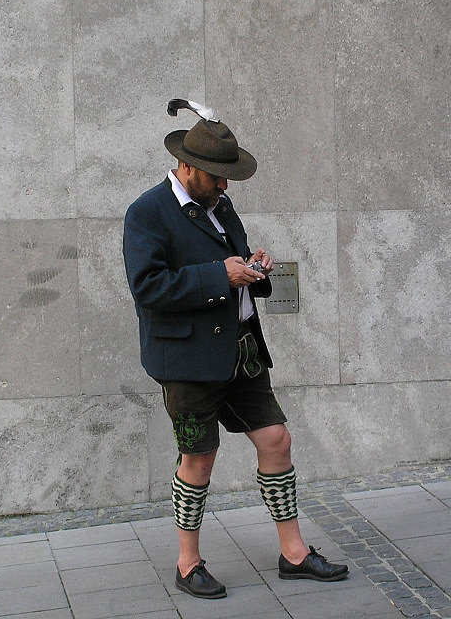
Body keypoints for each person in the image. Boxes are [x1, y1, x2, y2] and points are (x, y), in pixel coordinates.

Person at [123, 101, 348, 599]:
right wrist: (221, 274)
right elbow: (148, 287)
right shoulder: (146, 212)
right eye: (216, 176)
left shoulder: (220, 206)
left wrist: (253, 265)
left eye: (229, 177)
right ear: (186, 166)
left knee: (277, 441)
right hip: (186, 363)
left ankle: (293, 554)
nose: (225, 186)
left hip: (242, 353)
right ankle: (188, 563)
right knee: (199, 459)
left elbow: (231, 265)